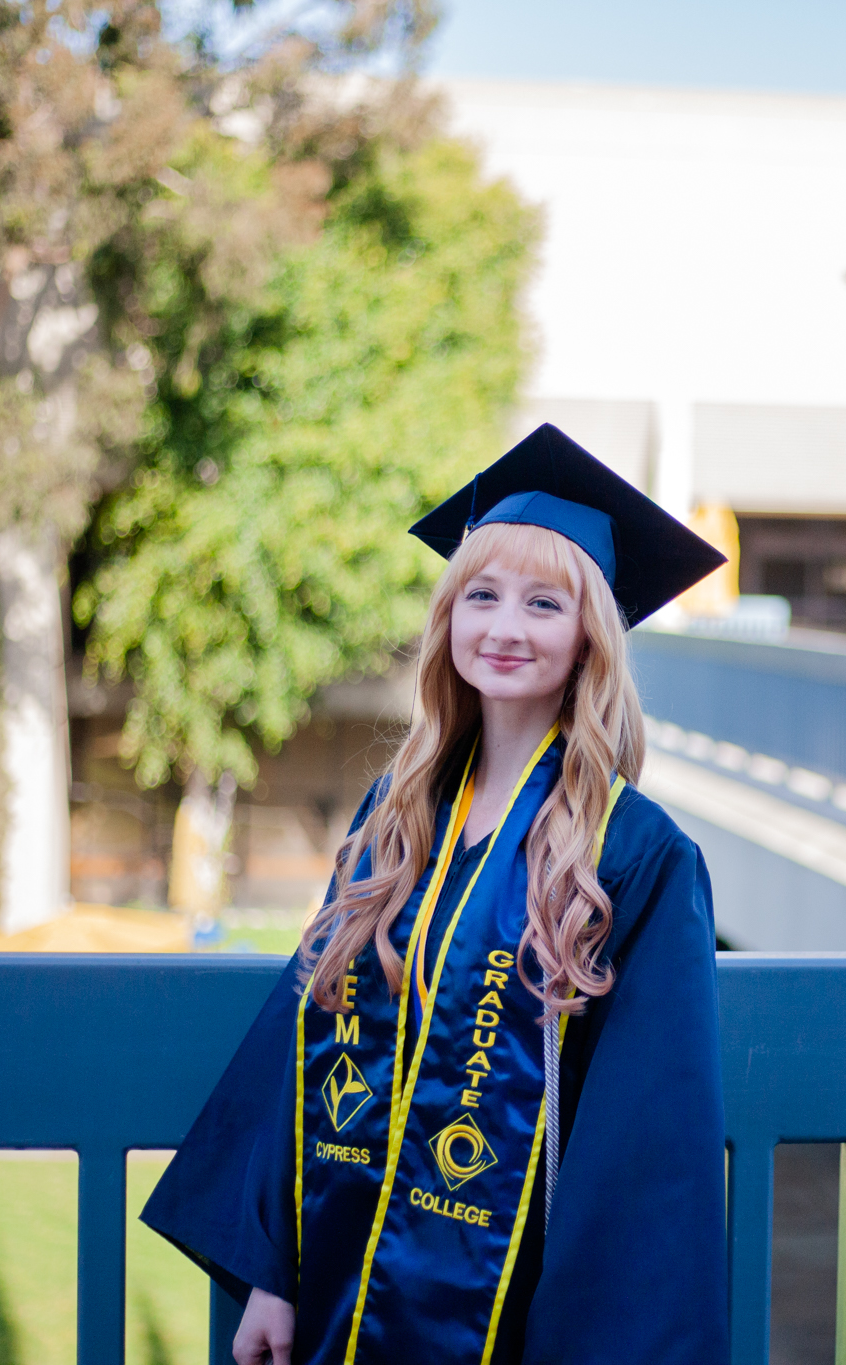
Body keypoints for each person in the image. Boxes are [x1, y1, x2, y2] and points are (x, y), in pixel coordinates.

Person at [142, 425, 730, 1365]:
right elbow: (307, 1033)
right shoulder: (398, 813)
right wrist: (273, 1272)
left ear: (591, 639)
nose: (503, 627)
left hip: (510, 1314)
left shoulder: (633, 851)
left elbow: (647, 1147)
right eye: (481, 595)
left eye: (544, 602)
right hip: (338, 1288)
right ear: (448, 617)